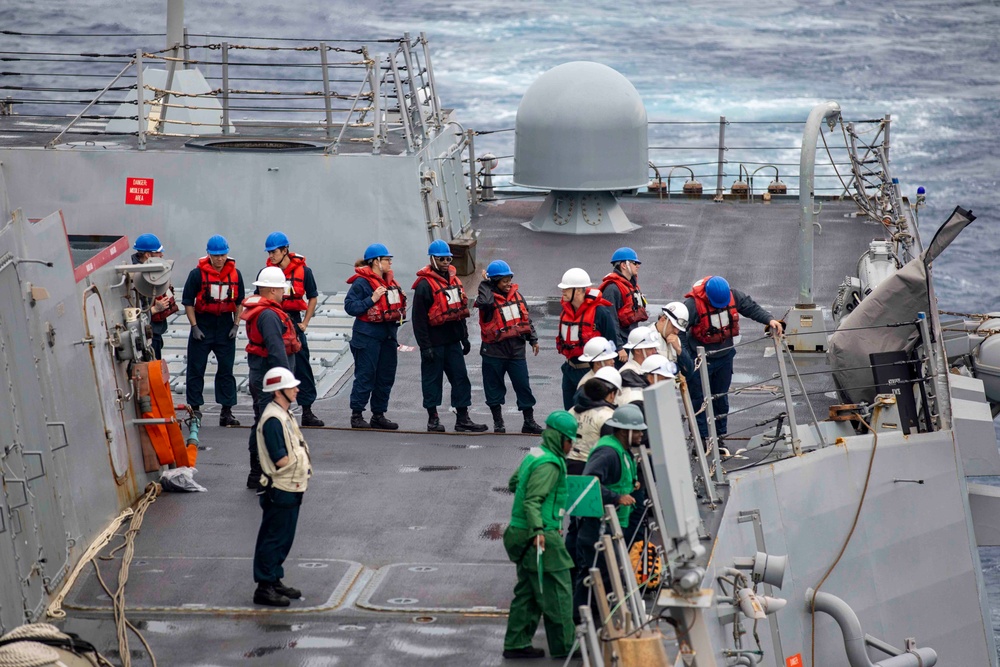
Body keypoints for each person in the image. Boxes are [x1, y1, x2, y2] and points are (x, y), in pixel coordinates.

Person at [502, 410, 579, 661]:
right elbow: (534, 500)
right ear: (560, 439)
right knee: (558, 589)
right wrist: (537, 530)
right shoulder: (550, 464)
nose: (571, 446)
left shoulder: (536, 454)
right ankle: (564, 645)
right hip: (539, 535)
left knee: (529, 591)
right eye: (570, 440)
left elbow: (515, 483)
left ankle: (516, 642)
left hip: (517, 532)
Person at [683, 276, 783, 441]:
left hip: (724, 357)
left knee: (721, 398)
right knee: (698, 400)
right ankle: (700, 440)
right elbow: (678, 330)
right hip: (699, 360)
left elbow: (751, 307)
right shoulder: (692, 305)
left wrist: (770, 319)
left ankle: (720, 436)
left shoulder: (733, 296)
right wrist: (686, 357)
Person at [572, 404, 645, 622]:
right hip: (598, 528)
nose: (642, 434)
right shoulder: (607, 452)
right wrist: (616, 497)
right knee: (596, 575)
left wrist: (631, 486)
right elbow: (590, 481)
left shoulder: (621, 451)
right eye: (638, 430)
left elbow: (617, 479)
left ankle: (592, 620)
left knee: (599, 576)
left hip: (612, 526)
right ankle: (588, 623)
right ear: (624, 431)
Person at [411, 240, 488, 433]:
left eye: (448, 258)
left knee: (461, 379)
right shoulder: (424, 286)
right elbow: (418, 320)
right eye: (441, 259)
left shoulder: (454, 282)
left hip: (452, 341)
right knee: (432, 381)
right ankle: (433, 419)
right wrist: (425, 346)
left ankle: (463, 418)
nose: (446, 262)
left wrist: (464, 337)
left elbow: (459, 311)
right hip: (434, 344)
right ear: (433, 259)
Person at [252, 367, 312, 608]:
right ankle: (264, 587)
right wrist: (295, 464)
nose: (297, 389)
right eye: (292, 386)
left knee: (284, 536)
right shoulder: (273, 420)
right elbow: (280, 458)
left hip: (292, 486)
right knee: (274, 537)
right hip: (281, 487)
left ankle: (274, 578)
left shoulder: (283, 414)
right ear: (279, 392)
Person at [242, 266, 301, 489]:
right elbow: (276, 350)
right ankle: (260, 473)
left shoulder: (267, 312)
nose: (283, 292)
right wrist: (285, 384)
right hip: (269, 378)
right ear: (272, 290)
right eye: (280, 288)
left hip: (264, 375)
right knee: (267, 424)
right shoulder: (268, 315)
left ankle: (259, 473)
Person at [475, 260, 544, 434]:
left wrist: (533, 339)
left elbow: (526, 319)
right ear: (494, 281)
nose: (508, 284)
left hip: (516, 351)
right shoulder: (487, 299)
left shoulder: (517, 296)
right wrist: (485, 283)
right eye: (504, 281)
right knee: (493, 388)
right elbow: (484, 303)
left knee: (523, 386)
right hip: (493, 352)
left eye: (509, 279)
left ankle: (528, 421)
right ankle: (498, 422)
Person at [182, 235, 244, 426]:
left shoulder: (235, 274)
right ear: (208, 254)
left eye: (223, 255)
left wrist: (235, 324)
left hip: (225, 325)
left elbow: (239, 301)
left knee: (226, 369)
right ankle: (195, 409)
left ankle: (227, 411)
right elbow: (187, 302)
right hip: (203, 323)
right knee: (196, 368)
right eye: (216, 255)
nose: (219, 259)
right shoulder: (196, 274)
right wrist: (194, 327)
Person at [264, 231, 324, 427]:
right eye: (269, 252)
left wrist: (305, 322)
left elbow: (313, 296)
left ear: (285, 250)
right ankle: (277, 411)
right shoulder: (266, 273)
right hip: (274, 321)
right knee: (274, 365)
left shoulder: (305, 272)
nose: (271, 256)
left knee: (302, 366)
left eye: (274, 252)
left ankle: (307, 410)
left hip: (294, 322)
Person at [344, 243, 406, 430]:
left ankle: (378, 414)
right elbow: (350, 306)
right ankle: (357, 415)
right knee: (365, 374)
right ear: (376, 262)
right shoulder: (361, 283)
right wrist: (371, 299)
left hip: (388, 335)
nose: (390, 263)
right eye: (387, 260)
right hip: (367, 336)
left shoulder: (389, 282)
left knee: (386, 375)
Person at [555, 268, 619, 410]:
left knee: (588, 410)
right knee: (569, 412)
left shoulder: (600, 313)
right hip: (569, 370)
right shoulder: (566, 311)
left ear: (578, 291)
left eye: (566, 289)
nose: (562, 291)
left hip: (589, 372)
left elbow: (612, 344)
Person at [131, 233, 177, 360]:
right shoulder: (133, 278)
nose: (162, 255)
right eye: (158, 252)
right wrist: (154, 310)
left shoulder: (154, 272)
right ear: (148, 255)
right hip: (144, 334)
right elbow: (132, 314)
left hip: (155, 332)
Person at [566, 371, 621, 476]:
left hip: (568, 466)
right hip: (593, 468)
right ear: (612, 394)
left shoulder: (572, 410)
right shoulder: (607, 416)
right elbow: (610, 450)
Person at [598, 247, 648, 354]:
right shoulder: (612, 289)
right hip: (620, 346)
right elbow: (611, 321)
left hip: (630, 341)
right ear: (624, 265)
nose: (638, 266)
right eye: (634, 263)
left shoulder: (631, 285)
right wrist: (619, 347)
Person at [618, 327, 660, 406]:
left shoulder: (648, 369)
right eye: (650, 348)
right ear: (637, 351)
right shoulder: (627, 373)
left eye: (655, 348)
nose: (655, 352)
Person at [652, 301, 694, 378]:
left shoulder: (676, 340)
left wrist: (679, 350)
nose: (676, 331)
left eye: (679, 329)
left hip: (668, 387)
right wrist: (676, 367)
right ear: (663, 319)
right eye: (674, 326)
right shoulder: (646, 337)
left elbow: (689, 371)